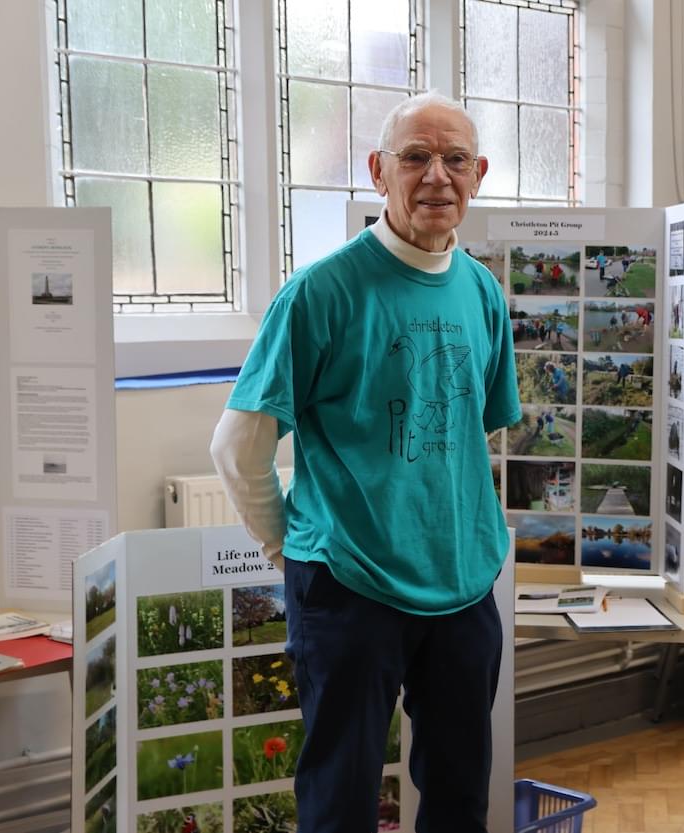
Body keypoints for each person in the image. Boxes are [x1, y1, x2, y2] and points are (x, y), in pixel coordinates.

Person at [210, 92, 518, 833]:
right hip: (350, 589)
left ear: (478, 174)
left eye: (453, 160)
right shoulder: (322, 293)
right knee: (339, 801)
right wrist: (290, 544)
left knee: (459, 797)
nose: (436, 176)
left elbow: (474, 435)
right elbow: (236, 445)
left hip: (463, 586)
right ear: (379, 171)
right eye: (415, 157)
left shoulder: (482, 291)